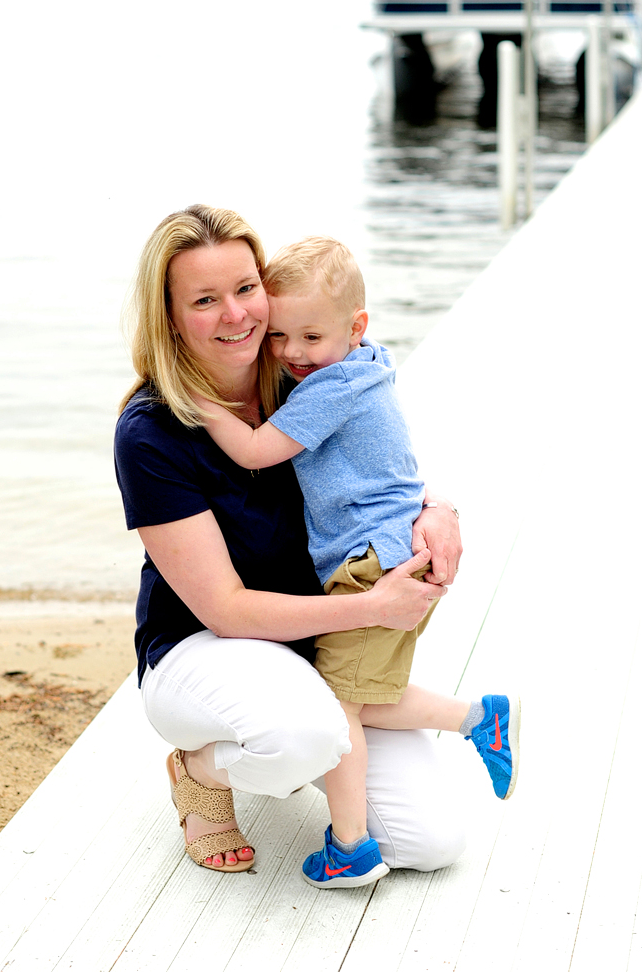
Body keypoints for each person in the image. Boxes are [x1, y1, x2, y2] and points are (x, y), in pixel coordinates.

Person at [113, 204, 465, 879]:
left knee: (432, 840)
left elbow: (377, 468)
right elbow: (226, 609)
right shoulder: (151, 433)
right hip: (201, 647)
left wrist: (438, 505)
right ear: (171, 317)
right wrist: (370, 607)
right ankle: (199, 768)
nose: (236, 314)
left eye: (246, 289)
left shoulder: (301, 371)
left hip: (309, 646)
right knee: (307, 735)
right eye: (205, 299)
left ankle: (295, 744)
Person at [195, 236, 520, 888]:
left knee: (336, 708)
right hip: (391, 551)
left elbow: (258, 451)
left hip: (372, 565)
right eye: (281, 335)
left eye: (312, 336)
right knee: (360, 695)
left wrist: (199, 405)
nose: (292, 354)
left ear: (357, 326)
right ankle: (476, 718)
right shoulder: (362, 364)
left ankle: (350, 843)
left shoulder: (331, 384)